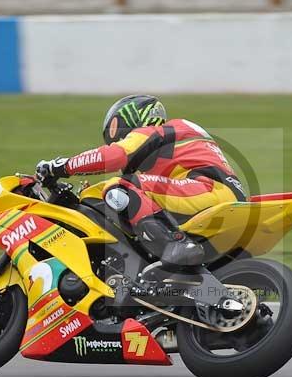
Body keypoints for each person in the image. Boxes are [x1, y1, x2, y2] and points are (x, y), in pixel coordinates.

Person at [36, 94, 246, 271]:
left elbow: (114, 156)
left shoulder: (157, 131)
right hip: (218, 195)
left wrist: (61, 166)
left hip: (206, 190)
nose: (116, 140)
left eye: (116, 133)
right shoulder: (174, 142)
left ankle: (176, 246)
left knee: (119, 187)